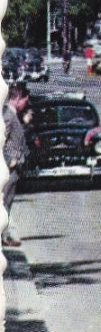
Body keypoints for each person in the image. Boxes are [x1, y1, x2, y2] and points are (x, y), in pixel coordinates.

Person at [3, 89, 28, 248]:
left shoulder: (12, 115)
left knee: (7, 202)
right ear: (17, 98)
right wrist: (8, 160)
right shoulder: (7, 115)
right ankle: (4, 237)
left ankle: (4, 235)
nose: (26, 104)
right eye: (25, 100)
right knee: (4, 202)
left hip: (14, 167)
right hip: (9, 168)